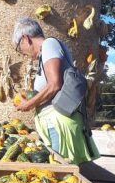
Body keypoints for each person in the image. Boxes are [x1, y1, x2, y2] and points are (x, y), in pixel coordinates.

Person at [10, 17, 99, 165]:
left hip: (59, 123)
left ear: (25, 39)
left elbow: (54, 84)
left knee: (62, 173)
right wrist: (29, 95)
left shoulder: (49, 45)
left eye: (19, 48)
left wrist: (29, 104)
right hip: (55, 123)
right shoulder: (45, 53)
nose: (22, 53)